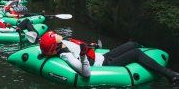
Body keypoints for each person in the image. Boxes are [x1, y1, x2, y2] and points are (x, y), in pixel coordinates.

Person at [39, 31, 179, 86]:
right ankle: (171, 75)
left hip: (102, 56)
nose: (55, 34)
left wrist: (89, 47)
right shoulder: (66, 55)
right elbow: (86, 73)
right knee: (136, 53)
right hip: (105, 64)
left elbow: (78, 46)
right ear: (55, 46)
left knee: (133, 44)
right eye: (54, 35)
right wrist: (82, 56)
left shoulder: (62, 42)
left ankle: (149, 56)